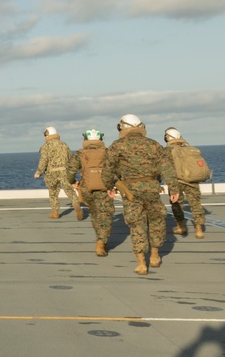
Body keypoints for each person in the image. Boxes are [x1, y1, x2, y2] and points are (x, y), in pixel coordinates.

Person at [101, 114, 179, 276]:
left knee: (137, 224)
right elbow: (167, 168)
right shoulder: (153, 145)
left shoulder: (117, 146)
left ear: (122, 127)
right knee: (157, 220)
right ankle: (156, 255)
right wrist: (174, 189)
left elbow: (108, 170)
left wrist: (109, 187)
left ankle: (141, 263)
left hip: (130, 191)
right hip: (152, 188)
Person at [67, 129, 116, 257]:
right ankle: (101, 242)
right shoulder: (109, 152)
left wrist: (73, 182)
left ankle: (99, 238)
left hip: (87, 188)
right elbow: (118, 169)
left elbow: (70, 172)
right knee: (105, 215)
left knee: (94, 213)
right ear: (100, 139)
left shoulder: (80, 154)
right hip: (105, 188)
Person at [163, 127, 206, 239]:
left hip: (176, 182)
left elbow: (164, 167)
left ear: (167, 138)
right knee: (196, 204)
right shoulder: (189, 149)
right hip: (192, 181)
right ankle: (199, 230)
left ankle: (181, 227)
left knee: (177, 205)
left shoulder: (167, 151)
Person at [34, 126, 82, 221]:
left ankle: (55, 212)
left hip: (51, 173)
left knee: (53, 192)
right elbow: (71, 159)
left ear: (47, 135)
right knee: (69, 190)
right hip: (64, 171)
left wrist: (38, 172)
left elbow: (44, 160)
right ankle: (76, 204)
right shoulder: (64, 145)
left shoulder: (45, 146)